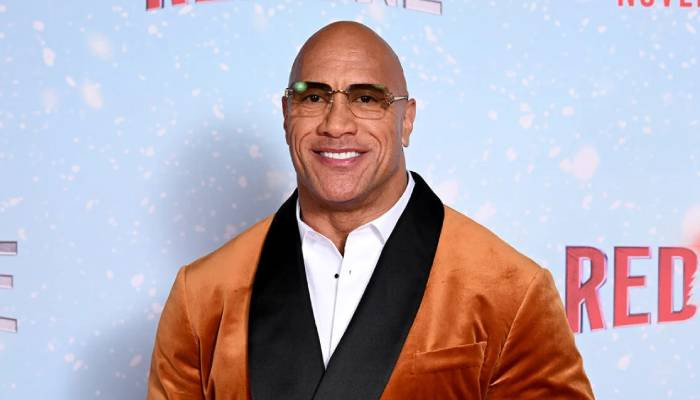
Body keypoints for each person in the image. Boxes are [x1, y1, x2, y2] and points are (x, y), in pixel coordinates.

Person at [147, 21, 594, 400]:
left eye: (366, 98)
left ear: (407, 119)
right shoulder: (202, 295)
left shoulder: (511, 290)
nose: (336, 124)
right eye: (313, 97)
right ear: (286, 115)